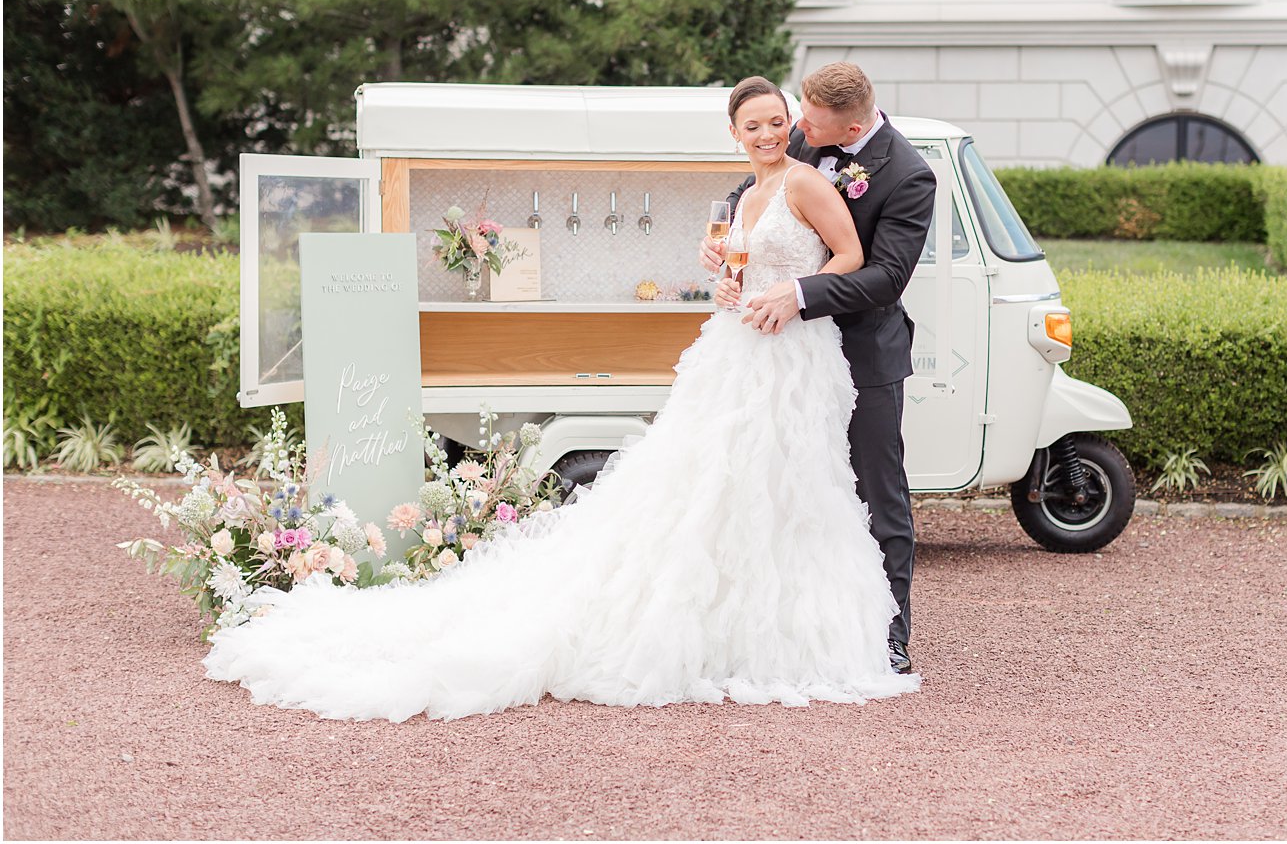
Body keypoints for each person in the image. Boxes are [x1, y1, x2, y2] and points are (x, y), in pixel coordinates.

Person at [201, 77, 920, 720]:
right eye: (752, 125)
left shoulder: (806, 183)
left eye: (774, 121)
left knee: (799, 489)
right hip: (738, 348)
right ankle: (726, 624)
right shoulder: (742, 195)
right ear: (733, 134)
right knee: (717, 487)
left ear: (791, 121)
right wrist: (727, 279)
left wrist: (793, 294)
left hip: (795, 353)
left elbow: (852, 257)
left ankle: (812, 633)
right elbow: (741, 259)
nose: (766, 133)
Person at [700, 62, 935, 676]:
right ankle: (786, 626)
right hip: (780, 355)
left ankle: (890, 633)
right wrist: (722, 239)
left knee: (875, 492)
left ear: (851, 124)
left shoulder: (910, 175)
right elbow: (765, 184)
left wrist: (799, 296)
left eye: (806, 119)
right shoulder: (804, 133)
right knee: (785, 488)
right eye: (792, 115)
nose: (794, 127)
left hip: (862, 356)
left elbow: (884, 276)